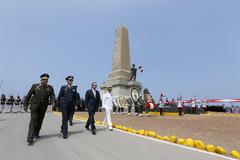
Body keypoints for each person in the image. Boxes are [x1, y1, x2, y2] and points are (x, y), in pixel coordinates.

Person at [24, 73, 55, 145]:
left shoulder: (50, 87)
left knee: (40, 121)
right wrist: (25, 105)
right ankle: (30, 138)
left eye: (46, 80)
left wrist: (53, 101)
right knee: (33, 121)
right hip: (34, 107)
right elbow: (28, 96)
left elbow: (52, 95)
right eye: (44, 80)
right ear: (41, 80)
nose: (45, 81)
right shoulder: (35, 86)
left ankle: (36, 133)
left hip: (43, 107)